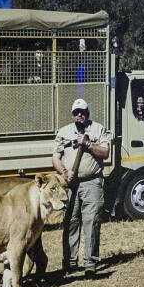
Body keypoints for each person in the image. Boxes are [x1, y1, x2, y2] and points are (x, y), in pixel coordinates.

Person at [53, 98, 112, 275]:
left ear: (87, 113)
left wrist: (87, 144)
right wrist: (64, 172)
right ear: (72, 115)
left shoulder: (98, 129)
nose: (80, 115)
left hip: (92, 182)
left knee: (91, 222)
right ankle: (70, 263)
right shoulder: (64, 132)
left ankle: (90, 263)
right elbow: (55, 157)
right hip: (70, 184)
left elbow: (106, 152)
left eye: (83, 112)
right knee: (70, 221)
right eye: (76, 112)